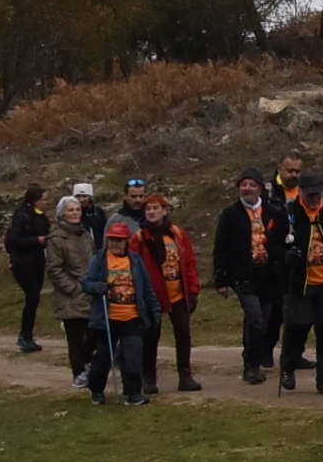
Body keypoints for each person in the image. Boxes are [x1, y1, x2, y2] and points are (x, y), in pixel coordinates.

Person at [211, 171, 287, 384]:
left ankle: (258, 355)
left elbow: (282, 243)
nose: (247, 188)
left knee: (264, 320)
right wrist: (221, 279)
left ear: (260, 188)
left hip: (268, 276)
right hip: (243, 276)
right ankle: (251, 366)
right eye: (243, 184)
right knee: (255, 319)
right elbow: (220, 247)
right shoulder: (230, 214)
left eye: (252, 185)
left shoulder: (273, 213)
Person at [82, 211, 161, 405]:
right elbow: (86, 283)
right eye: (112, 240)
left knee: (133, 357)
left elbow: (146, 288)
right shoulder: (99, 260)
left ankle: (133, 394)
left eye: (120, 240)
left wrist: (155, 310)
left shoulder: (135, 261)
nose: (116, 244)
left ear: (126, 241)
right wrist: (97, 287)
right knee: (102, 360)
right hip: (106, 319)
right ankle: (97, 391)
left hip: (132, 316)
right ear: (107, 240)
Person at [276, 170, 323, 395]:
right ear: (301, 192)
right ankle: (288, 366)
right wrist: (286, 256)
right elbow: (275, 245)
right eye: (309, 194)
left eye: (317, 194)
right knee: (298, 325)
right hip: (299, 283)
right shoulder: (288, 213)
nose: (313, 198)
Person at [140, 191, 203, 392]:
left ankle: (185, 376)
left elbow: (190, 262)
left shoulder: (177, 234)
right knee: (151, 337)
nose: (151, 212)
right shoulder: (139, 238)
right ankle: (149, 379)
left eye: (155, 208)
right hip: (153, 295)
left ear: (164, 210)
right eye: (148, 209)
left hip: (178, 292)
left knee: (183, 334)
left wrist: (192, 290)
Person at [46, 192, 99, 386]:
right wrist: (74, 288)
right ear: (62, 214)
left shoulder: (85, 234)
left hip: (91, 291)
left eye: (77, 209)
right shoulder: (56, 238)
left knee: (93, 333)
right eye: (70, 210)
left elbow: (94, 256)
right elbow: (54, 268)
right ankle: (79, 373)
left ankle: (90, 364)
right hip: (72, 295)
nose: (75, 213)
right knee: (76, 338)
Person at [2, 186, 50, 353]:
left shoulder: (41, 217)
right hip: (22, 263)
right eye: (44, 199)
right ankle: (25, 336)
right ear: (35, 200)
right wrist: (36, 240)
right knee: (32, 296)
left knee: (34, 298)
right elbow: (15, 239)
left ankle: (27, 335)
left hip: (37, 261)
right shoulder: (22, 216)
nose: (47, 202)